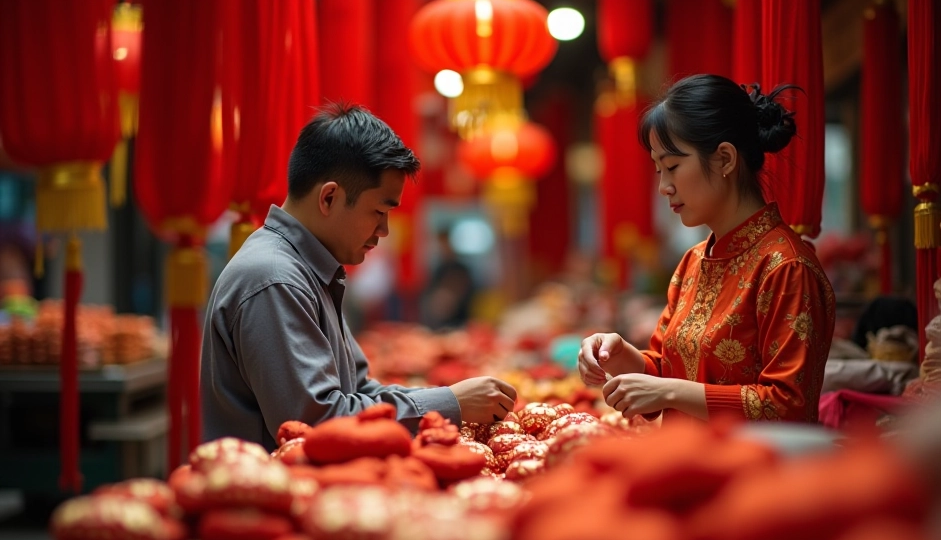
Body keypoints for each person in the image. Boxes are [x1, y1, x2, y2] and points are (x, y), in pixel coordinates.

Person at [202, 102, 517, 451]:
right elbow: (315, 423)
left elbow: (359, 391)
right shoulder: (276, 278)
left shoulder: (308, 268)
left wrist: (449, 401)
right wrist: (450, 403)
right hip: (262, 498)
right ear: (330, 197)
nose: (383, 230)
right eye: (379, 211)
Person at [578, 74, 835, 423]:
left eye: (672, 167)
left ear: (725, 159)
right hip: (688, 460)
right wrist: (619, 353)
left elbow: (787, 405)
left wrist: (669, 392)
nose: (663, 187)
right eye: (658, 169)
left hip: (752, 472)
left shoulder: (786, 267)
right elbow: (667, 371)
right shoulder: (694, 261)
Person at [420, 228, 475, 330]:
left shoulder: (462, 268)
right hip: (440, 322)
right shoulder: (439, 269)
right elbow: (430, 292)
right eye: (441, 244)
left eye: (445, 243)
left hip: (460, 319)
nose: (443, 247)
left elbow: (468, 290)